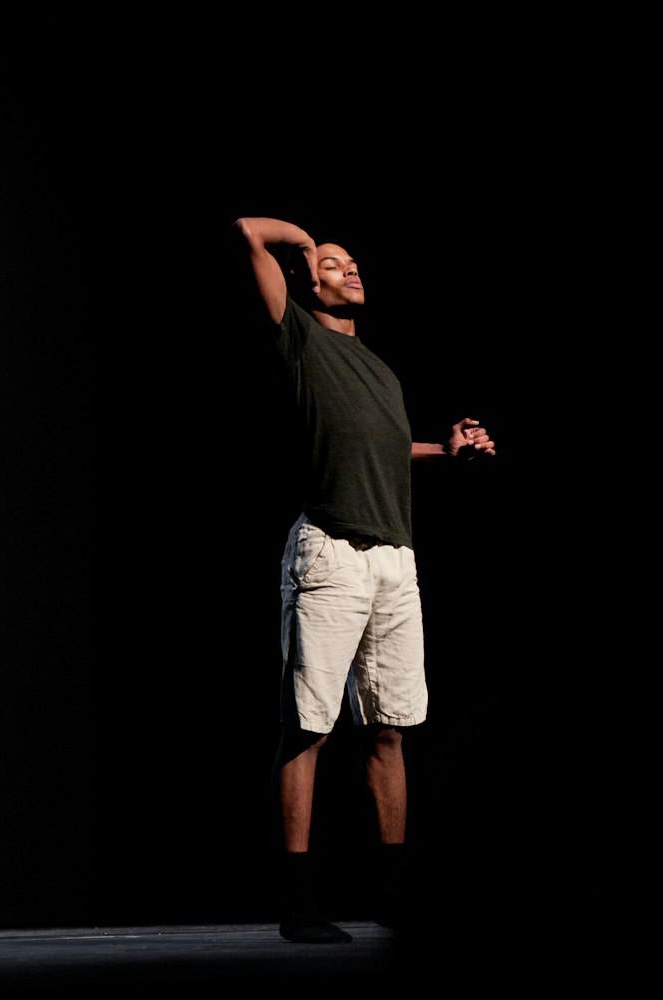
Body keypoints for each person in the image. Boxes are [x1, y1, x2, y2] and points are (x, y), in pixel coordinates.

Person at [229, 216, 496, 944]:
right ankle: (297, 902)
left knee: (390, 731)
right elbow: (249, 232)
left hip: (395, 560)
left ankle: (394, 895)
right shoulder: (299, 337)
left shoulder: (380, 368)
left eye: (354, 263)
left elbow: (378, 448)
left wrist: (446, 449)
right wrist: (308, 239)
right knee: (308, 727)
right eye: (336, 264)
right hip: (331, 553)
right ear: (309, 278)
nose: (353, 271)